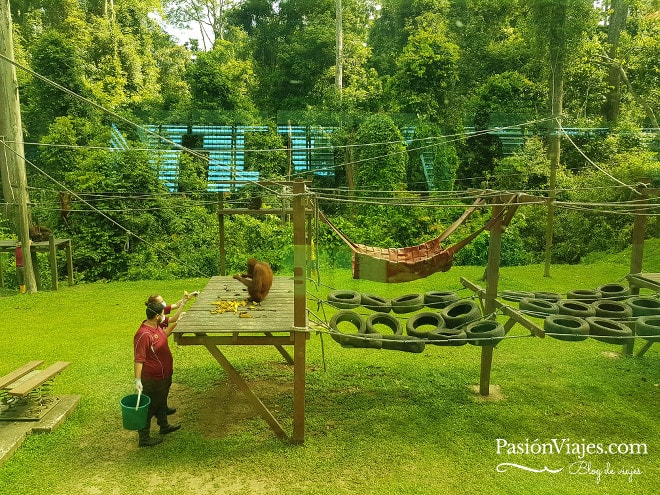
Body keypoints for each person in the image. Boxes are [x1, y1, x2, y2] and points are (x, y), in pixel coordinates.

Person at [133, 294, 190, 447]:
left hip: (164, 375)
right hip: (153, 378)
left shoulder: (155, 326)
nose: (165, 317)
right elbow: (139, 359)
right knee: (151, 406)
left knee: (161, 401)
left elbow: (163, 335)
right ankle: (144, 438)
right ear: (157, 316)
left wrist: (177, 324)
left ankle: (164, 426)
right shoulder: (143, 334)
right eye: (163, 315)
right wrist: (138, 380)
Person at [144, 291, 199, 416]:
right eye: (161, 301)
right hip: (156, 361)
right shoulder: (156, 320)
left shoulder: (159, 314)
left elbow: (175, 306)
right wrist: (178, 321)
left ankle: (163, 409)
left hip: (162, 358)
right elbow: (166, 331)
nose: (164, 303)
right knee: (159, 389)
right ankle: (157, 413)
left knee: (165, 384)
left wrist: (185, 300)